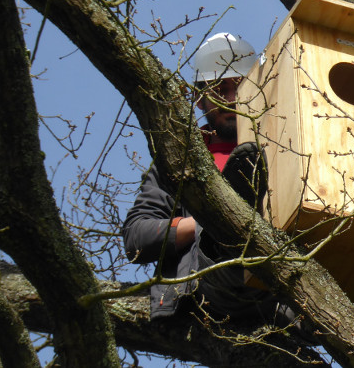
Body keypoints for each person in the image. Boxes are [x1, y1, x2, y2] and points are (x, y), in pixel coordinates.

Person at [123, 32, 286, 324]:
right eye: (220, 89)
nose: (233, 99)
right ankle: (235, 210)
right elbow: (137, 238)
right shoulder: (178, 162)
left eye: (241, 86)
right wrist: (210, 219)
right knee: (240, 186)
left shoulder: (287, 150)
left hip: (279, 291)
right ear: (199, 98)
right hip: (216, 287)